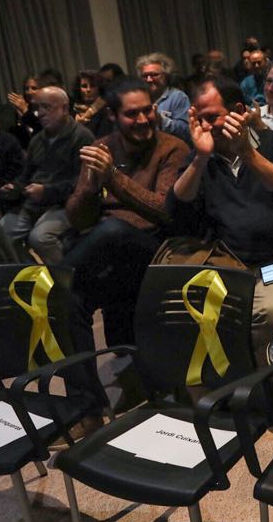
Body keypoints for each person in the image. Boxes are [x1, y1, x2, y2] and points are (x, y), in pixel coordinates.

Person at [169, 76, 273, 362]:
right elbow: (176, 210)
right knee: (194, 314)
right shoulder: (202, 155)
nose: (205, 126)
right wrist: (200, 159)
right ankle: (226, 395)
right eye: (198, 118)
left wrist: (247, 152)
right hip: (223, 262)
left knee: (271, 314)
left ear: (238, 111)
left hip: (270, 263)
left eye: (211, 117)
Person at [63, 78, 189, 347]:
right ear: (112, 115)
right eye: (132, 114)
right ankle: (84, 390)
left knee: (112, 230)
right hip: (111, 252)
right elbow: (76, 218)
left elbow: (164, 210)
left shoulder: (172, 148)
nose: (143, 119)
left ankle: (49, 281)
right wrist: (90, 190)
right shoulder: (100, 149)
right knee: (70, 299)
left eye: (148, 110)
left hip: (155, 247)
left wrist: (113, 178)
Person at [0, 87, 94, 264]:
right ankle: (35, 276)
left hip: (65, 204)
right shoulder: (37, 139)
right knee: (3, 233)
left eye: (46, 107)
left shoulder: (82, 137)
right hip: (36, 203)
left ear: (65, 108)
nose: (40, 113)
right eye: (37, 108)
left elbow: (83, 182)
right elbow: (26, 175)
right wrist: (15, 187)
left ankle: (68, 281)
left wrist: (47, 191)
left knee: (40, 238)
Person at [136, 53, 191, 145]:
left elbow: (186, 132)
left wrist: (161, 120)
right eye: (145, 76)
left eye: (154, 75)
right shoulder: (137, 99)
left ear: (166, 76)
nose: (149, 80)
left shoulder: (177, 97)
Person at [73, 70, 114, 139]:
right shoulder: (73, 111)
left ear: (99, 88)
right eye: (84, 86)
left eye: (92, 86)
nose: (88, 89)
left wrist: (79, 127)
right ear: (78, 89)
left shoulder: (107, 110)